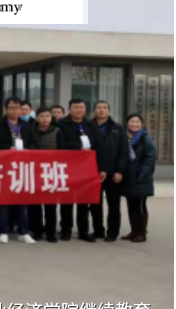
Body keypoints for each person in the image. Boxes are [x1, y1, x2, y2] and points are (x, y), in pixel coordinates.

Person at [0, 97, 36, 244]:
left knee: (22, 200)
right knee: (3, 200)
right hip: (3, 166)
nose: (15, 111)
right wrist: (7, 149)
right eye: (12, 108)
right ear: (5, 109)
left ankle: (23, 231)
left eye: (17, 108)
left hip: (22, 167)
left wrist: (28, 150)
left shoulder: (27, 125)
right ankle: (4, 230)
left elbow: (34, 143)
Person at [57, 98, 102, 243]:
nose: (78, 110)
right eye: (75, 107)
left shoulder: (91, 124)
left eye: (81, 107)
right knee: (67, 200)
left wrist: (101, 168)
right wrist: (78, 147)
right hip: (68, 167)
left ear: (85, 109)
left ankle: (83, 231)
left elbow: (98, 144)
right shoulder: (61, 124)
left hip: (87, 168)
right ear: (69, 109)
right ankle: (66, 230)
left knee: (84, 201)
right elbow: (61, 143)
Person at [91, 101, 130, 242]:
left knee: (113, 204)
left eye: (104, 108)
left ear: (109, 111)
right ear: (94, 110)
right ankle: (98, 231)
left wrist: (120, 171)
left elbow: (124, 151)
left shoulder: (117, 128)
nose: (101, 110)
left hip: (113, 172)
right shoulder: (89, 126)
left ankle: (112, 232)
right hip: (94, 172)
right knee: (95, 204)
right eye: (98, 108)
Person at [29, 107, 65, 242]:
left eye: (47, 116)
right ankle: (37, 231)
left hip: (51, 171)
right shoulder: (30, 131)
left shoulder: (58, 131)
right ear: (37, 118)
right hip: (34, 171)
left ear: (51, 118)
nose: (45, 119)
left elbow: (63, 151)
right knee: (35, 204)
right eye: (42, 116)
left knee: (50, 205)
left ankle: (51, 232)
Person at [122, 114, 155, 243]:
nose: (134, 124)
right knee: (131, 206)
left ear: (141, 124)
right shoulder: (125, 137)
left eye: (137, 122)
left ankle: (141, 233)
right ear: (127, 123)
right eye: (132, 121)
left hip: (141, 178)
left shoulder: (145, 138)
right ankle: (134, 231)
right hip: (129, 178)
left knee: (140, 206)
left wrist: (141, 175)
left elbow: (150, 158)